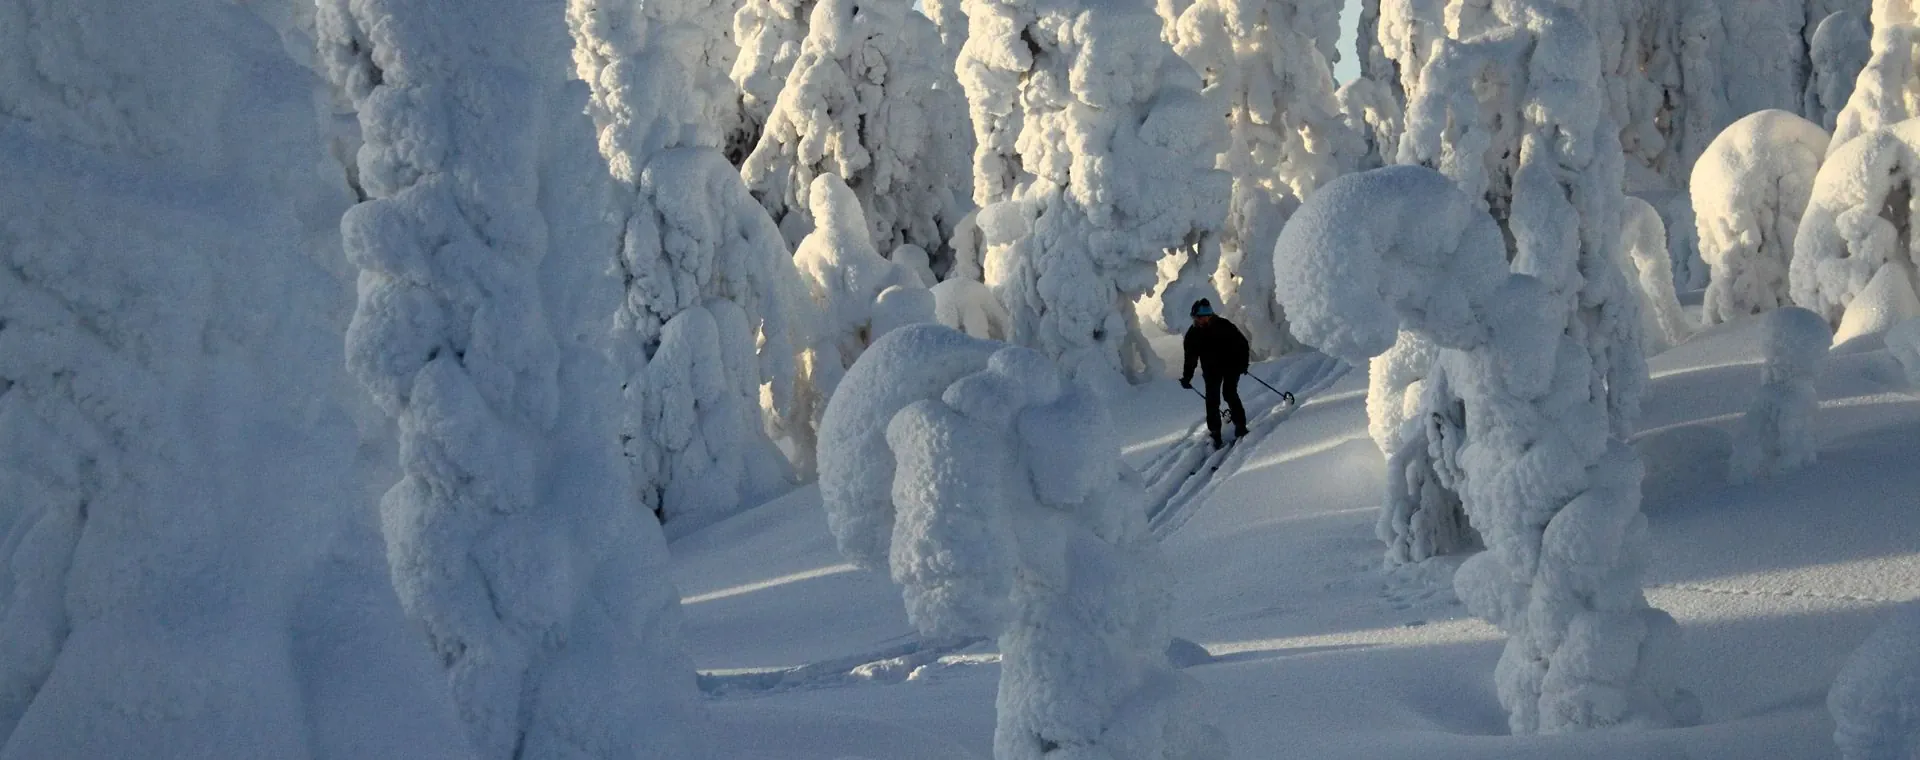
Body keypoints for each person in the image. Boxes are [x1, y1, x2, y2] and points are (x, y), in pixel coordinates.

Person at [1179, 298, 1250, 448]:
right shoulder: (1192, 334)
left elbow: (1242, 344)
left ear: (1210, 315)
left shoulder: (1224, 325)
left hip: (1232, 366)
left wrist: (1243, 363)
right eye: (1197, 317)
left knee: (1229, 394)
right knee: (1212, 400)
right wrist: (1187, 376)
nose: (1201, 320)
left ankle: (1241, 427)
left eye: (1204, 317)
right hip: (1211, 370)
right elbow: (1190, 358)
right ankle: (1215, 433)